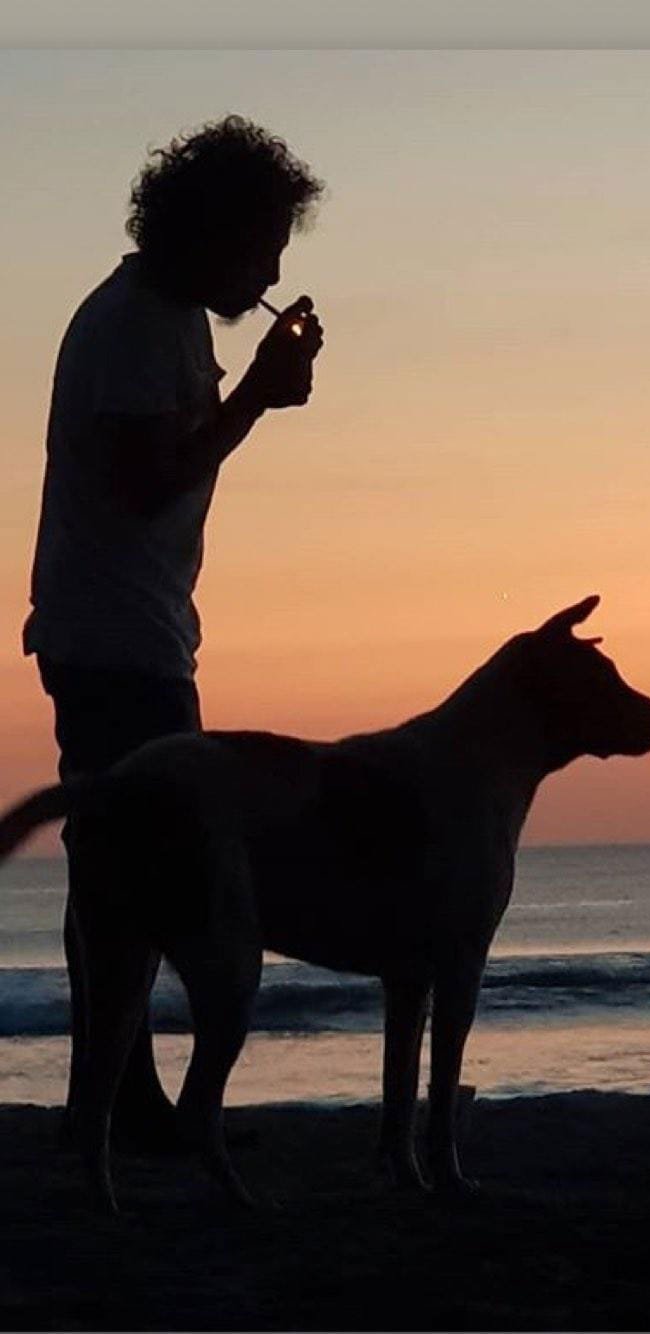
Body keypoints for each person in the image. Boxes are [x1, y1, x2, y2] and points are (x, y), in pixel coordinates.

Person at [22, 115, 325, 1148]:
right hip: (115, 638)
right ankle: (120, 1102)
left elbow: (166, 466)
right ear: (211, 232)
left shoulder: (170, 320)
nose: (272, 272)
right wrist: (258, 397)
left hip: (129, 629)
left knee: (119, 867)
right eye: (262, 246)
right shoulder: (134, 329)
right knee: (139, 871)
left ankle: (116, 1095)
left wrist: (254, 390)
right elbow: (148, 486)